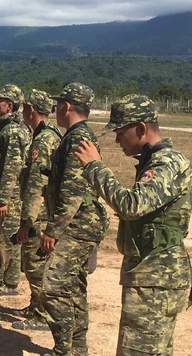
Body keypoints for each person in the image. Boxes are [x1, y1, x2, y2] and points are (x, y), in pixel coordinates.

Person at [74, 94, 192, 356]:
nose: (117, 140)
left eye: (120, 132)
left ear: (140, 128)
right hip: (153, 274)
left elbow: (131, 206)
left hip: (156, 277)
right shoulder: (155, 162)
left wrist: (95, 167)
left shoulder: (167, 163)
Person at [39, 82, 110, 356]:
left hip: (77, 225)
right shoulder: (78, 136)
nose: (55, 109)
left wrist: (53, 231)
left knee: (54, 287)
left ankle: (64, 350)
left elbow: (73, 191)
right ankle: (77, 349)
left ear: (66, 106)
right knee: (75, 287)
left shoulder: (77, 138)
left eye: (58, 105)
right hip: (83, 223)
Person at [12, 89, 62, 331]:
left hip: (40, 214)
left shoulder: (42, 141)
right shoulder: (50, 135)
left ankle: (42, 315)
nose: (22, 113)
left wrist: (27, 222)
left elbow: (35, 184)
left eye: (24, 109)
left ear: (30, 110)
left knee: (35, 264)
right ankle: (36, 305)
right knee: (35, 263)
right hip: (45, 211)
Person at [0, 85, 31, 296]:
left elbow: (12, 168)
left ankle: (9, 283)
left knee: (8, 239)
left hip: (10, 196)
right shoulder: (3, 128)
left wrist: (3, 200)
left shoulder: (14, 131)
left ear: (9, 106)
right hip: (0, 192)